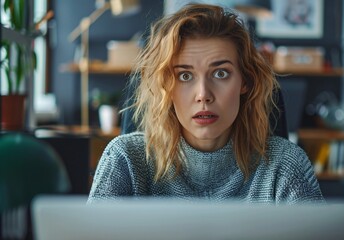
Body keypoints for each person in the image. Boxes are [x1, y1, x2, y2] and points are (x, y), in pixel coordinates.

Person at [88, 3, 324, 204]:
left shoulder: (285, 165)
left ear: (245, 82)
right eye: (185, 76)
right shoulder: (125, 160)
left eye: (221, 73)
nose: (203, 95)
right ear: (165, 86)